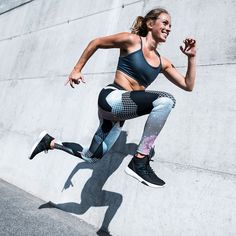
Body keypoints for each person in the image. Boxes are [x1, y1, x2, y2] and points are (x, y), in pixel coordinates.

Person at [29, 8, 196, 188]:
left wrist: (191, 58)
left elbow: (188, 85)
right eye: (164, 23)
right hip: (112, 98)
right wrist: (77, 70)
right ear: (150, 24)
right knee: (166, 100)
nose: (168, 28)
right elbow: (96, 42)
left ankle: (50, 142)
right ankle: (140, 161)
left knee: (90, 157)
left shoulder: (163, 62)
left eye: (170, 25)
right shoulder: (132, 41)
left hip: (118, 116)